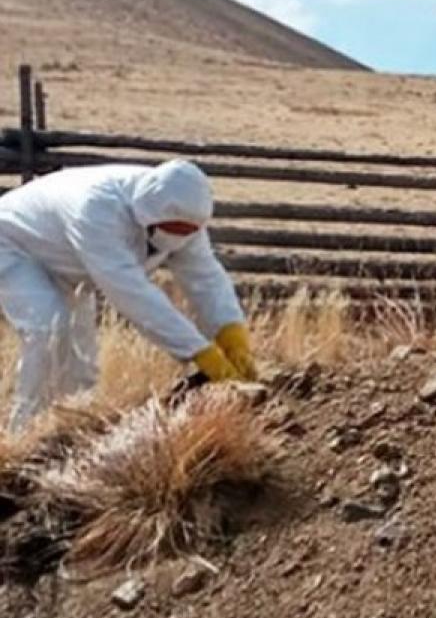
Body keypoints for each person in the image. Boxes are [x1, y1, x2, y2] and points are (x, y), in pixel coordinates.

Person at [0, 159, 256, 432]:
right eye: (175, 229)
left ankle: (68, 433)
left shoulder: (186, 213)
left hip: (68, 261)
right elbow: (132, 294)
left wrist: (231, 331)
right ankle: (23, 434)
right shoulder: (97, 212)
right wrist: (199, 352)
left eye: (188, 231)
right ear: (149, 216)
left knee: (80, 364)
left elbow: (206, 277)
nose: (181, 237)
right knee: (48, 329)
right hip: (12, 244)